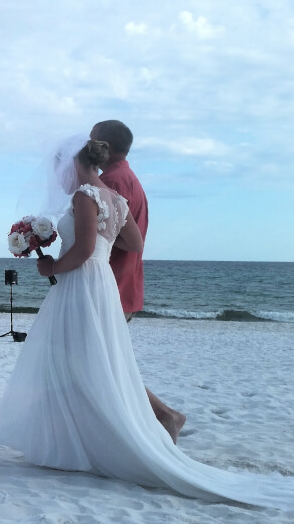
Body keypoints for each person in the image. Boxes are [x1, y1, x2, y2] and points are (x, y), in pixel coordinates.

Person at [0, 139, 294, 509]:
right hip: (101, 283)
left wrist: (51, 266)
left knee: (75, 359)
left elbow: (83, 250)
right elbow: (135, 242)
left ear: (74, 164)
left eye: (59, 168)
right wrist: (105, 241)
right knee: (91, 359)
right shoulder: (117, 199)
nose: (56, 177)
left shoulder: (84, 194)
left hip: (80, 282)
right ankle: (85, 434)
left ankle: (90, 440)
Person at [93, 119, 186, 443]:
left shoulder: (113, 182)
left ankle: (165, 416)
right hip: (124, 282)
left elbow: (120, 237)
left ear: (104, 145)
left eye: (93, 140)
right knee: (105, 363)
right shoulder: (126, 178)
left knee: (107, 365)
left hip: (112, 284)